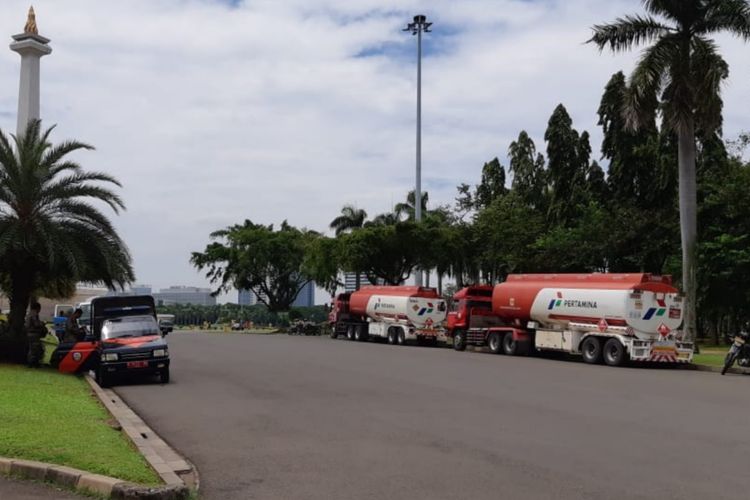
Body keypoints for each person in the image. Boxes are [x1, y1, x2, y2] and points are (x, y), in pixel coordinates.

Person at [25, 302, 47, 368]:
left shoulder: (29, 313)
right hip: (34, 334)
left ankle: (30, 363)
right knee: (35, 349)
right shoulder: (34, 314)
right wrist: (42, 323)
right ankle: (33, 363)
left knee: (31, 349)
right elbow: (36, 324)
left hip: (29, 333)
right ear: (38, 308)